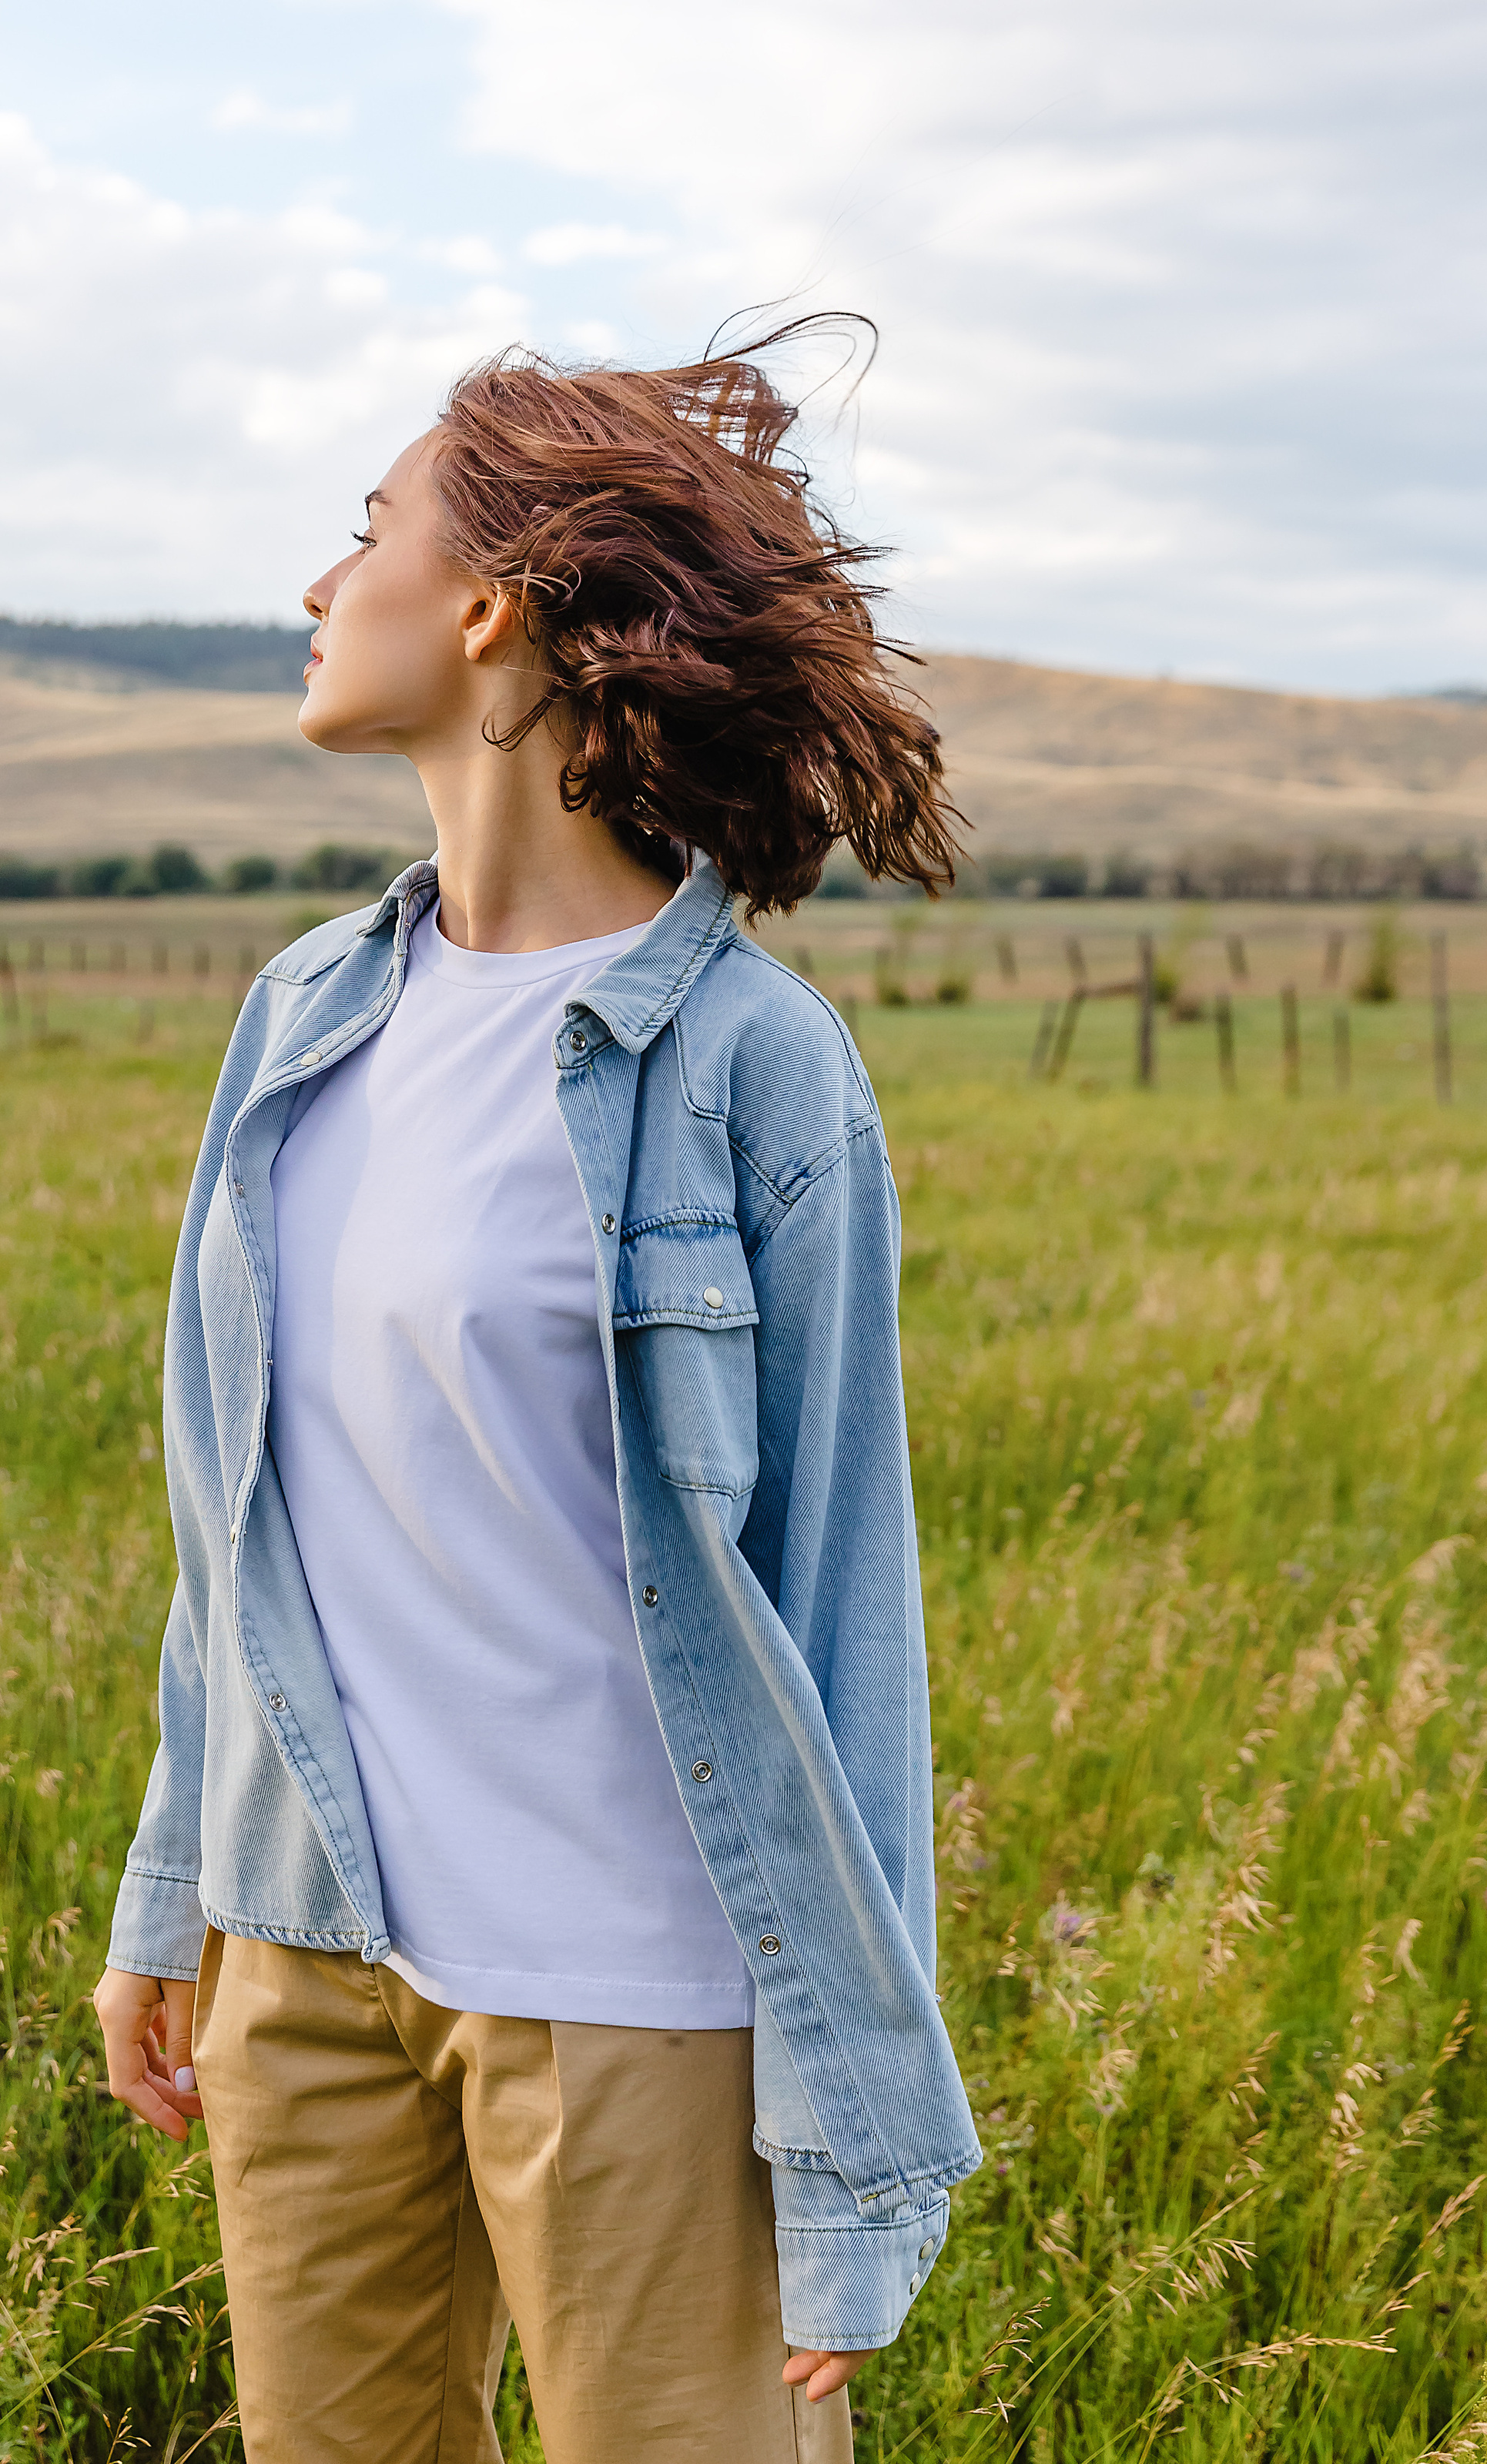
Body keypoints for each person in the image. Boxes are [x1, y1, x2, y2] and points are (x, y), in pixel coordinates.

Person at [93, 324, 982, 2464]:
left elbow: (843, 1614)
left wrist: (851, 2153)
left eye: (369, 530)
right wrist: (171, 1885)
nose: (324, 586)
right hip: (309, 1952)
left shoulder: (754, 1068)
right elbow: (241, 1526)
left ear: (492, 605)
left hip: (637, 1996)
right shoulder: (303, 1016)